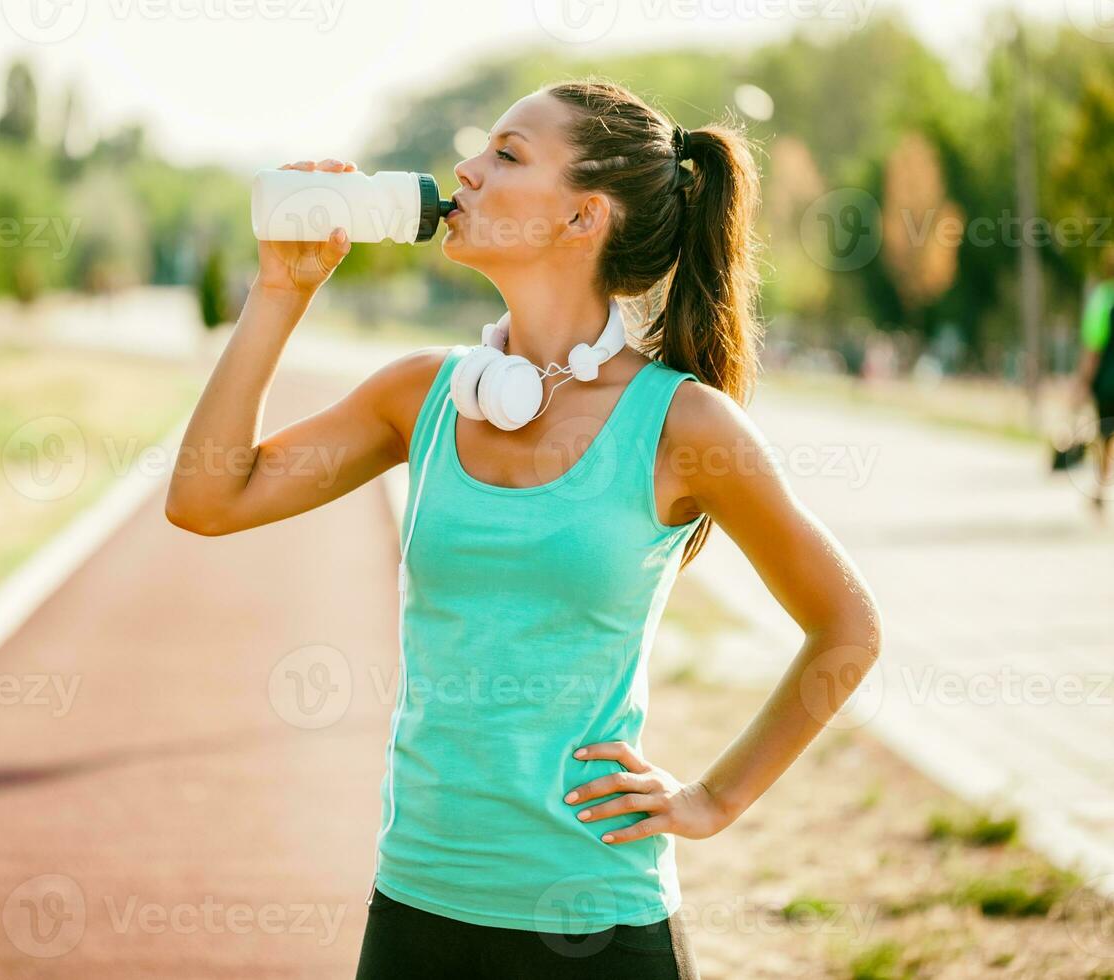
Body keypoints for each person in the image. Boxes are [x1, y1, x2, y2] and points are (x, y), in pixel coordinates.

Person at [165, 78, 882, 979]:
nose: (464, 171)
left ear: (583, 218)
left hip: (598, 926)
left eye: (505, 155)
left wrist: (712, 800)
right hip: (417, 905)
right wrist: (279, 292)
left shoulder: (684, 429)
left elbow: (846, 627)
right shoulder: (419, 395)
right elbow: (206, 499)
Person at [1074, 249, 1114, 515]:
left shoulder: (1102, 299)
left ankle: (1100, 487)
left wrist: (1081, 383)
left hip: (1107, 384)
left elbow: (1093, 349)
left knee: (1105, 435)